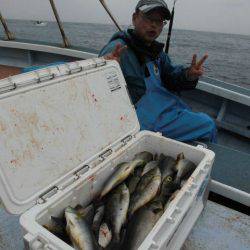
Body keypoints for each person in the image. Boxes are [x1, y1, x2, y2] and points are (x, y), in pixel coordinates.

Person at [99, 0, 216, 143]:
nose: (154, 25)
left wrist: (188, 75)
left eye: (160, 21)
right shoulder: (117, 50)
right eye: (149, 18)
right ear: (135, 18)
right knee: (207, 125)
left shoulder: (156, 52)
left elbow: (171, 77)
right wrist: (106, 70)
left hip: (163, 111)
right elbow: (98, 95)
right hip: (141, 122)